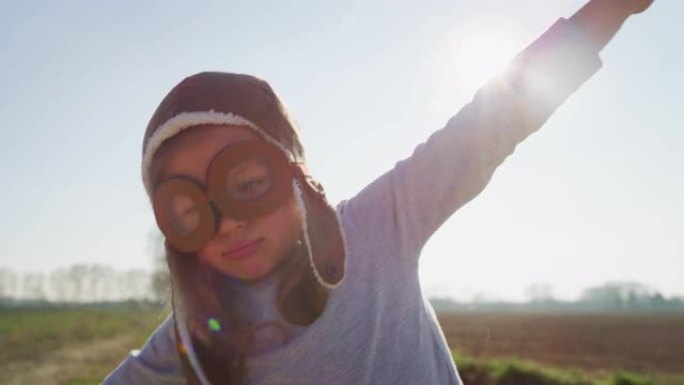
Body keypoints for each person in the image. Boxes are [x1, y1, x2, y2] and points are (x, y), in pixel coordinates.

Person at [104, 1, 654, 384]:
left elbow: (495, 120)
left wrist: (611, 9)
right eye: (189, 211)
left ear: (296, 175)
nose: (227, 223)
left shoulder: (378, 228)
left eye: (246, 184)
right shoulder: (196, 340)